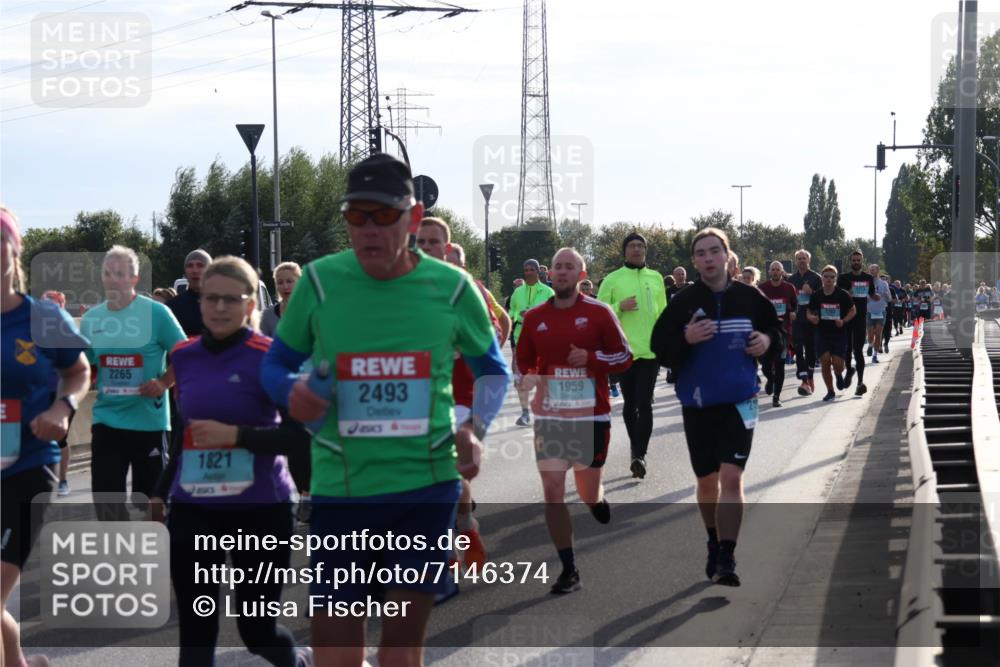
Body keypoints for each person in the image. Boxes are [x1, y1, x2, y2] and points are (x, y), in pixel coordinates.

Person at [259, 153, 510, 667]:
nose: (368, 230)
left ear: (414, 219)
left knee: (399, 651)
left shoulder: (454, 288)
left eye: (384, 216)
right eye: (356, 217)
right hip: (343, 490)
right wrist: (292, 392)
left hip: (425, 487)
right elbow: (275, 366)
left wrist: (476, 427)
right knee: (338, 657)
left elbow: (493, 370)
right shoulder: (319, 282)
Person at [149, 256, 312, 667]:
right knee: (196, 636)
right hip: (194, 507)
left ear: (250, 305)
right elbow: (188, 429)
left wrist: (238, 437)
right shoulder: (184, 357)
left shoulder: (270, 357)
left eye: (231, 299)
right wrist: (161, 490)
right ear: (200, 302)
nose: (219, 307)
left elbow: (299, 436)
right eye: (211, 298)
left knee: (257, 632)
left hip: (262, 508)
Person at [650, 227, 782, 587]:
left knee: (732, 477)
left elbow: (777, 331)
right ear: (694, 261)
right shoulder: (683, 302)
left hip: (741, 401)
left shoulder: (750, 298)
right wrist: (685, 338)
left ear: (727, 256)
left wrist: (767, 340)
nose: (708, 258)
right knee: (707, 481)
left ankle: (727, 554)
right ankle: (712, 540)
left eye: (714, 251)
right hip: (698, 403)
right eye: (701, 253)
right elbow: (660, 348)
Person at [2, 207, 91, 667]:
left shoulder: (43, 316)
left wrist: (63, 406)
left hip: (26, 465)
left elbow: (78, 371)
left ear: (15, 250)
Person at [516, 248, 632, 593]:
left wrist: (591, 358)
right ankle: (569, 569)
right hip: (551, 415)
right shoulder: (535, 317)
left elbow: (624, 357)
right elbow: (522, 360)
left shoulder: (599, 312)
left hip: (591, 414)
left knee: (586, 491)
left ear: (581, 275)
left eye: (570, 267)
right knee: (552, 491)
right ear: (549, 274)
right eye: (557, 267)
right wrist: (528, 377)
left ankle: (596, 500)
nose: (562, 272)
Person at [79, 246, 187, 521]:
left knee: (152, 504)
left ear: (134, 279)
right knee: (107, 502)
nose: (113, 279)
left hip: (148, 422)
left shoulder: (157, 314)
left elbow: (187, 356)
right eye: (107, 274)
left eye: (120, 274)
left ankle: (157, 553)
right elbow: (84, 367)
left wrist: (163, 382)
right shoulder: (92, 319)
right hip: (107, 419)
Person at [596, 232, 666, 480]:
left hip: (649, 352)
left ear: (645, 250)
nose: (636, 249)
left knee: (644, 404)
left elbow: (663, 315)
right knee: (629, 404)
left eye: (640, 246)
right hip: (623, 353)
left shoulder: (655, 278)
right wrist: (618, 307)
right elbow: (600, 314)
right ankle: (635, 450)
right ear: (625, 251)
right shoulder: (613, 280)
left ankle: (640, 454)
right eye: (632, 246)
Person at [510, 260, 556, 426]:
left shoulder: (548, 292)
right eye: (526, 269)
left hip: (542, 340)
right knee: (519, 379)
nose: (528, 272)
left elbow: (555, 315)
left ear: (538, 272)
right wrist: (518, 315)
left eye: (531, 270)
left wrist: (535, 316)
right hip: (520, 338)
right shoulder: (518, 292)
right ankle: (524, 413)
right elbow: (511, 312)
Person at [40, 290, 76, 495]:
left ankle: (63, 480)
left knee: (60, 437)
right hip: (39, 391)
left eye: (54, 306)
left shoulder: (67, 329)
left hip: (63, 391)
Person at [807, 266, 857, 402]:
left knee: (837, 363)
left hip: (838, 332)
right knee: (824, 361)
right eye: (826, 276)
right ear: (822, 278)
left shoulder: (842, 294)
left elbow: (853, 310)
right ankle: (830, 391)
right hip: (821, 332)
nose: (829, 279)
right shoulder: (816, 295)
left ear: (835, 279)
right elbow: (809, 312)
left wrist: (843, 321)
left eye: (832, 277)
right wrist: (812, 318)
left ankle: (839, 374)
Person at [836, 250, 878, 396]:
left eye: (858, 260)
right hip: (846, 317)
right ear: (850, 261)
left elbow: (871, 293)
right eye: (853, 260)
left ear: (862, 261)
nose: (856, 262)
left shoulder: (868, 278)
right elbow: (837, 296)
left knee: (858, 350)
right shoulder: (843, 278)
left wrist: (875, 296)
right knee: (847, 349)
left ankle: (860, 383)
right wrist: (846, 293)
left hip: (860, 318)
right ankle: (849, 370)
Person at [757, 261, 796, 407]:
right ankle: (770, 379)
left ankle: (777, 397)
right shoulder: (762, 288)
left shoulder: (789, 288)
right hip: (766, 332)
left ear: (782, 272)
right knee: (765, 364)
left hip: (783, 332)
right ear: (769, 272)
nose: (774, 272)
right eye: (772, 270)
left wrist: (793, 312)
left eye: (777, 270)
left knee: (780, 364)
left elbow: (795, 303)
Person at [788, 249, 822, 396]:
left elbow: (823, 299)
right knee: (798, 348)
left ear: (809, 260)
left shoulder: (816, 277)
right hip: (797, 320)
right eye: (799, 258)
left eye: (804, 258)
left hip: (811, 319)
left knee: (810, 351)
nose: (802, 260)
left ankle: (810, 376)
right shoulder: (791, 280)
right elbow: (788, 300)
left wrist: (812, 293)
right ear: (796, 261)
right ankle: (804, 379)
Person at [167, 249, 212, 337]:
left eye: (200, 265)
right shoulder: (172, 307)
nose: (195, 270)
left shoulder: (221, 305)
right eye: (190, 266)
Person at [260, 262, 302, 338]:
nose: (285, 286)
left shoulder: (313, 313)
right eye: (280, 283)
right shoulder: (267, 316)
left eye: (289, 281)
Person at [866, 264, 890, 363]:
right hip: (869, 311)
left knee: (879, 333)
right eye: (870, 270)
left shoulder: (883, 284)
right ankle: (870, 345)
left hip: (881, 311)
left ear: (878, 271)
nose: (871, 271)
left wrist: (883, 294)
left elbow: (889, 298)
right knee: (871, 334)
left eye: (873, 270)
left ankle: (875, 355)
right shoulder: (865, 283)